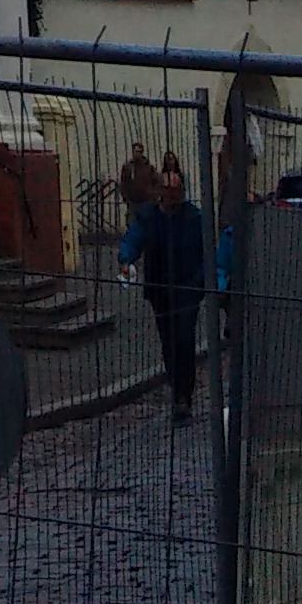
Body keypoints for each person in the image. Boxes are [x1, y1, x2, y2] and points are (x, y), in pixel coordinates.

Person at [118, 154, 208, 423]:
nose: (171, 196)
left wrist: (200, 283)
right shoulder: (148, 216)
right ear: (159, 191)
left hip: (187, 288)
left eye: (175, 191)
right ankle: (177, 389)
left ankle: (184, 396)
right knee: (169, 343)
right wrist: (125, 260)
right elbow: (132, 239)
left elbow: (206, 252)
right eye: (166, 190)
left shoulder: (194, 218)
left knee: (184, 339)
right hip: (160, 289)